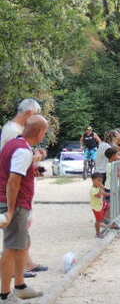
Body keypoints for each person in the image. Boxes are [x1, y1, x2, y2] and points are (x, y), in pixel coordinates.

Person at [0, 115, 48, 302]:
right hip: (16, 203)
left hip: (17, 202)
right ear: (40, 132)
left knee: (22, 245)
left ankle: (20, 286)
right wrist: (11, 210)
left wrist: (31, 169)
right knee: (11, 248)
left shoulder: (15, 144)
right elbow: (13, 181)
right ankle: (4, 294)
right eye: (45, 132)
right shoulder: (23, 150)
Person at [90, 173, 108, 238]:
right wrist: (101, 188)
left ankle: (103, 220)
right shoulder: (93, 189)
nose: (100, 182)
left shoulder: (98, 187)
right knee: (98, 221)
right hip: (96, 207)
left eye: (101, 181)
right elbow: (99, 195)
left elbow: (104, 194)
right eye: (98, 180)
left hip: (100, 206)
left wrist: (109, 194)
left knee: (108, 206)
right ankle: (98, 233)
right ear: (93, 180)